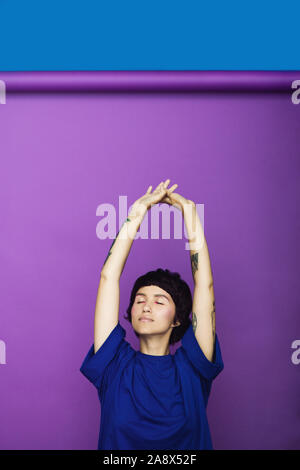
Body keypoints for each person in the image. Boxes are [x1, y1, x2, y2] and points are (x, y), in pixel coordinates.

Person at [80, 179, 224, 450]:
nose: (146, 306)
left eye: (159, 301)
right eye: (139, 299)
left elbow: (205, 286)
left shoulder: (192, 367)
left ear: (178, 318)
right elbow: (108, 277)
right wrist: (137, 212)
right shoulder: (114, 365)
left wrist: (189, 215)